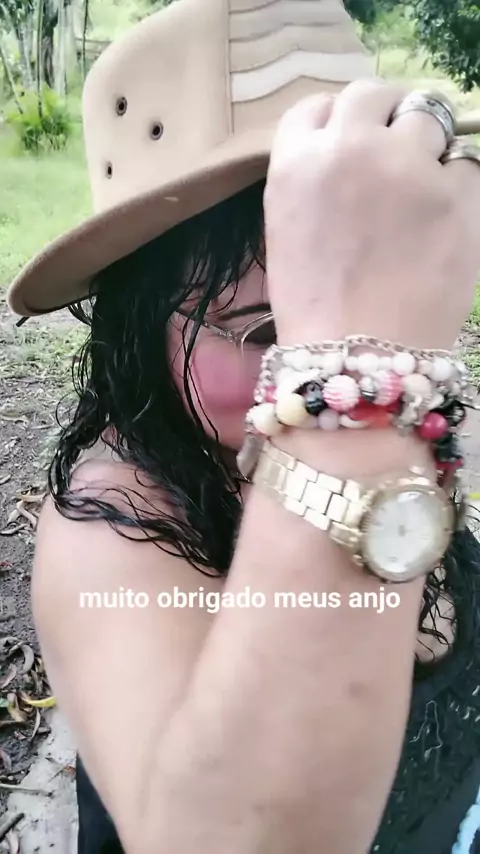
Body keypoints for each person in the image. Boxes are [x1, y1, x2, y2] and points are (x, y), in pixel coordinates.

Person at [6, 1, 480, 852]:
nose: (310, 382)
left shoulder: (391, 420)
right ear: (139, 323)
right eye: (268, 332)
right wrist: (358, 369)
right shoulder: (112, 529)